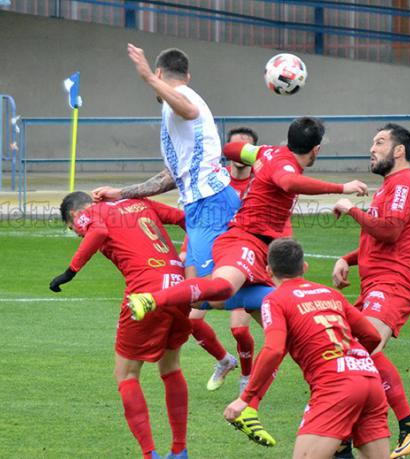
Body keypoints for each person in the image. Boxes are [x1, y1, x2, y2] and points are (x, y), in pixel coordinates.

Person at [127, 116, 369, 446]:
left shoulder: (267, 153)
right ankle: (153, 298)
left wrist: (246, 152)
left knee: (280, 338)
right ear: (316, 150)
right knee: (223, 287)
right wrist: (342, 188)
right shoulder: (283, 164)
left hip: (262, 254)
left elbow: (231, 148)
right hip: (243, 240)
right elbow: (288, 182)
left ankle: (249, 407)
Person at [49, 191, 191, 459]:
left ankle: (150, 455)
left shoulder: (89, 213)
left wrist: (70, 272)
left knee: (126, 375)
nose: (79, 232)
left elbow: (98, 231)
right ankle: (179, 450)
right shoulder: (139, 201)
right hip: (178, 285)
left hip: (145, 292)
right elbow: (185, 218)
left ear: (73, 216)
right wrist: (188, 254)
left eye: (73, 229)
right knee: (171, 368)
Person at [224, 238, 390, 459]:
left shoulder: (275, 300)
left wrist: (245, 399)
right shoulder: (331, 294)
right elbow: (372, 336)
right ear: (304, 267)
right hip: (370, 381)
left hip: (336, 388)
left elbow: (273, 350)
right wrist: (352, 361)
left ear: (268, 270)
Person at [92, 44, 241, 281]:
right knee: (192, 290)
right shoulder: (172, 111)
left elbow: (189, 110)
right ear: (187, 75)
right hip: (200, 203)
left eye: (155, 76)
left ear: (159, 73)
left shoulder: (186, 97)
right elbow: (170, 176)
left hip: (211, 202)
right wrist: (120, 193)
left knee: (212, 291)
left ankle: (283, 305)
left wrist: (149, 78)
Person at [331, 123, 410, 459]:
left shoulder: (405, 183)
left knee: (360, 350)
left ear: (399, 151)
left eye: (380, 142)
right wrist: (346, 259)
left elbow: (390, 231)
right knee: (352, 351)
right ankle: (356, 435)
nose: (372, 148)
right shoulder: (388, 187)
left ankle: (407, 426)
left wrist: (351, 209)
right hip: (378, 282)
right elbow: (378, 239)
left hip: (394, 282)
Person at [183, 127, 269, 394]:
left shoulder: (261, 185)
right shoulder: (217, 183)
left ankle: (246, 378)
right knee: (192, 319)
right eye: (236, 147)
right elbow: (198, 219)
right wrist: (187, 249)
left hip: (243, 261)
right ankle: (224, 361)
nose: (241, 153)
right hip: (210, 257)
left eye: (247, 148)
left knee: (239, 330)